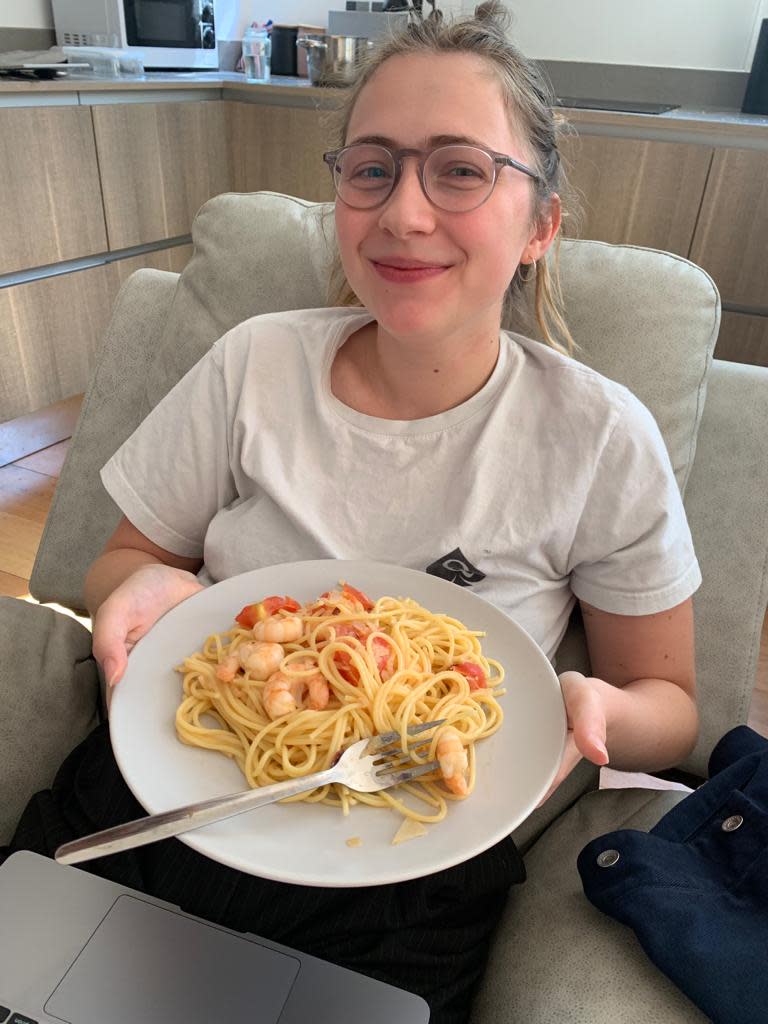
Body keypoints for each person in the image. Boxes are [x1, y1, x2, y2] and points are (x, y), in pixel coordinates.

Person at [4, 4, 701, 1021]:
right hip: (164, 798)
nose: (404, 213)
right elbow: (129, 563)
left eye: (459, 169)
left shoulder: (598, 436)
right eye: (371, 168)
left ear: (542, 221)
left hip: (415, 862)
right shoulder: (255, 362)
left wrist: (599, 708)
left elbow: (669, 696)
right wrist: (140, 582)